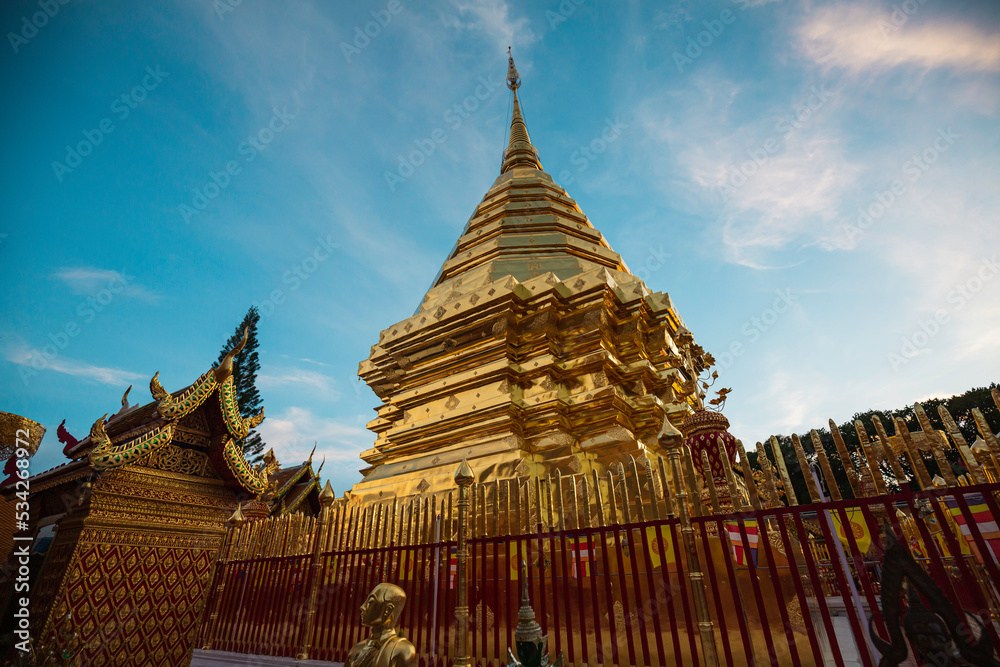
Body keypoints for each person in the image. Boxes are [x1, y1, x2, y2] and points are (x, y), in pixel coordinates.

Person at [344, 583, 417, 667]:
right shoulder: (356, 649)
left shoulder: (402, 650)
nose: (362, 607)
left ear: (387, 610)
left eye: (370, 602)